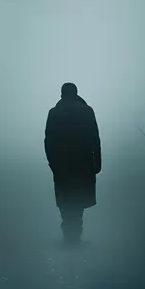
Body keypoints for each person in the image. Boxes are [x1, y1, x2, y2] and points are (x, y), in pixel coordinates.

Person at [44, 82, 101, 246]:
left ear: (62, 94)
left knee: (65, 199)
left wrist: (52, 163)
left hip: (62, 164)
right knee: (78, 199)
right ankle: (75, 235)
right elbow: (95, 138)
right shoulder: (87, 111)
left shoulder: (54, 113)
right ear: (76, 93)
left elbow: (48, 141)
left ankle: (69, 235)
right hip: (83, 163)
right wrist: (97, 162)